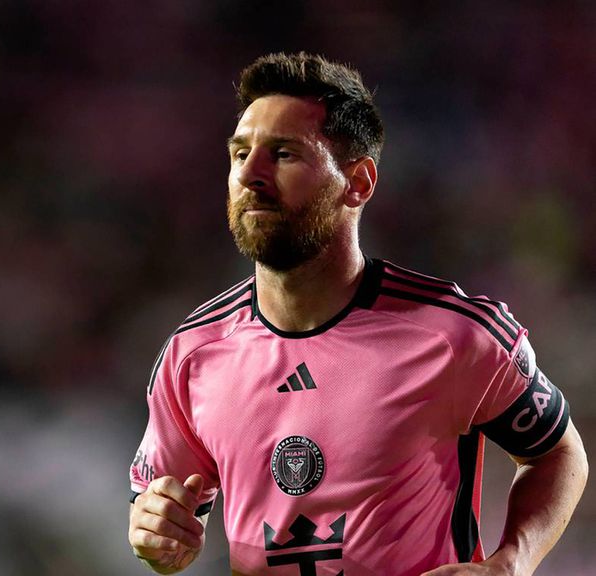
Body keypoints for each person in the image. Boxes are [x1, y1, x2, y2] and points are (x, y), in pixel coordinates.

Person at [127, 52, 588, 576]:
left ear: (358, 182)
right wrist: (156, 534)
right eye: (240, 153)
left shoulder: (453, 334)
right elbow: (161, 518)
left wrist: (512, 563)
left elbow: (558, 453)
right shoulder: (193, 354)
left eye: (283, 154)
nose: (250, 174)